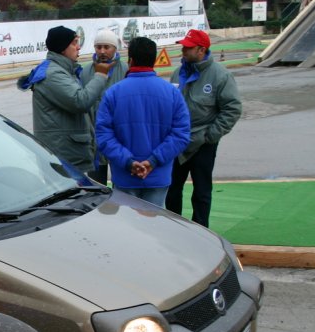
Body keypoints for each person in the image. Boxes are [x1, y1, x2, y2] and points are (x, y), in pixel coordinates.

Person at [94, 37, 190, 208]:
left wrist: (128, 162)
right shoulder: (172, 93)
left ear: (130, 60)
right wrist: (153, 161)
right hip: (158, 175)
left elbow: (103, 136)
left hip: (125, 176)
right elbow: (181, 134)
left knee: (128, 228)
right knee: (153, 226)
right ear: (153, 60)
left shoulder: (113, 93)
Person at [165, 29, 242, 227]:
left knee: (201, 192)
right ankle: (174, 229)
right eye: (183, 46)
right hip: (177, 143)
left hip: (203, 144)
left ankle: (200, 231)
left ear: (201, 50)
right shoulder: (177, 73)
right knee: (172, 190)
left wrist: (210, 135)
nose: (183, 50)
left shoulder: (220, 76)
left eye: (188, 47)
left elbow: (232, 109)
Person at [17, 25, 111, 178]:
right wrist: (100, 75)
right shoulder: (52, 74)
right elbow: (80, 101)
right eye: (74, 43)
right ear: (62, 48)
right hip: (62, 157)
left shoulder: (64, 70)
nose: (78, 47)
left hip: (68, 155)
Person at [81, 27, 129, 184]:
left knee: (121, 187)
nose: (102, 51)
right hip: (95, 140)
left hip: (120, 139)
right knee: (97, 187)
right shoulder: (86, 71)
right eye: (98, 47)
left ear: (115, 48)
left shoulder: (125, 71)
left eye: (106, 47)